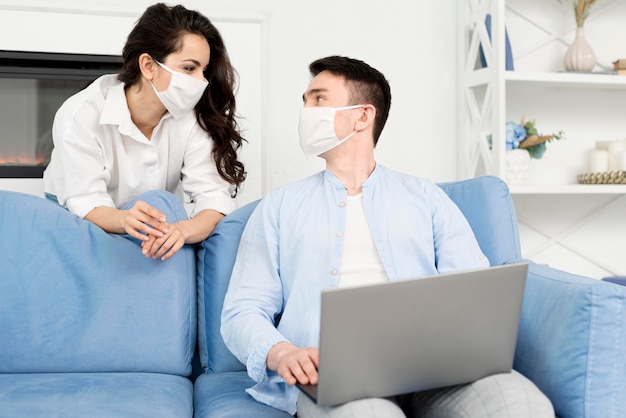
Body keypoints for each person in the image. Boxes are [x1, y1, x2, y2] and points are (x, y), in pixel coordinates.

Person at [221, 55, 554, 417]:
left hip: (435, 370)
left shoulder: (425, 198)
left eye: (318, 99)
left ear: (363, 116)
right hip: (334, 377)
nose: (305, 109)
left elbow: (472, 289)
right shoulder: (278, 207)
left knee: (523, 406)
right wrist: (281, 351)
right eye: (304, 100)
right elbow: (243, 310)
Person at [43, 3, 245, 260]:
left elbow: (213, 198)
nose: (200, 82)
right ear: (148, 65)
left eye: (203, 71)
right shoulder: (80, 114)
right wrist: (123, 219)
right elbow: (85, 199)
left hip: (149, 225)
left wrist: (181, 231)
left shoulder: (193, 117)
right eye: (189, 68)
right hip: (78, 218)